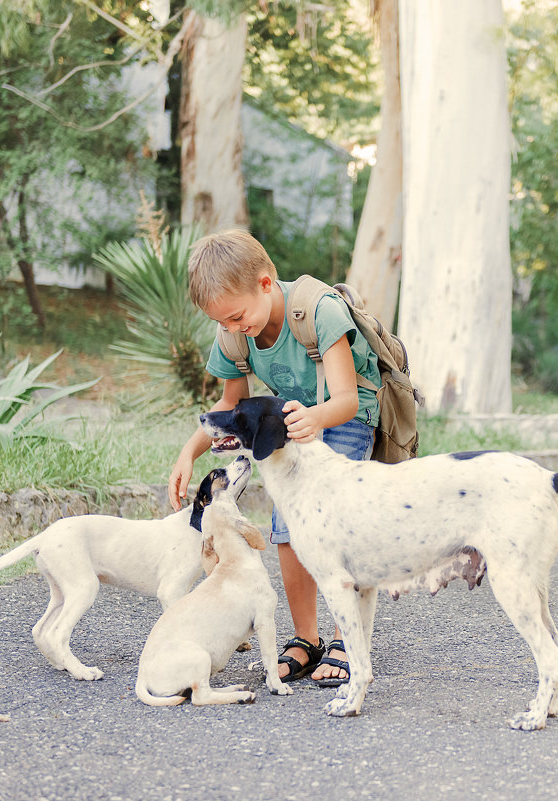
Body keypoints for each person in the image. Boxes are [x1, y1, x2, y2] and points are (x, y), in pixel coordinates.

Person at [168, 229, 381, 687]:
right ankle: (307, 638)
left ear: (266, 284)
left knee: (340, 526)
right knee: (286, 527)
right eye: (221, 322)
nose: (231, 328)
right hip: (289, 423)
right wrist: (189, 450)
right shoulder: (236, 335)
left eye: (236, 317)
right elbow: (229, 406)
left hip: (342, 417)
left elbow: (345, 398)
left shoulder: (318, 311)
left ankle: (350, 638)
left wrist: (316, 418)